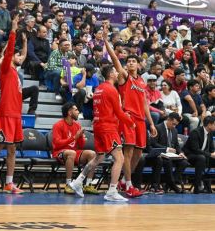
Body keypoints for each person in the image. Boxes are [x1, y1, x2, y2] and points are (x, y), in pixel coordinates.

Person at [69, 65, 135, 202]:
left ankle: (77, 182)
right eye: (116, 72)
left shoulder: (98, 89)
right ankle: (112, 191)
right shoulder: (112, 90)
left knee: (99, 157)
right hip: (108, 128)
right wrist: (130, 122)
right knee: (119, 158)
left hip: (98, 126)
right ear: (111, 74)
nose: (118, 74)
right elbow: (118, 112)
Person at [104, 38, 157, 198]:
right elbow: (114, 59)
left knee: (138, 155)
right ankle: (128, 185)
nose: (131, 63)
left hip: (141, 120)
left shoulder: (141, 82)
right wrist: (107, 42)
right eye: (129, 61)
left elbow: (145, 104)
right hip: (128, 118)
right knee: (127, 153)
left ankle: (123, 181)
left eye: (134, 61)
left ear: (139, 65)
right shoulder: (124, 77)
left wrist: (152, 124)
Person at [0, 15, 25, 194]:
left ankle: (9, 183)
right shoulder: (7, 68)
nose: (19, 56)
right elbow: (9, 53)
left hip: (16, 115)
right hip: (6, 113)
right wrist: (13, 30)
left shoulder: (16, 71)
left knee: (12, 149)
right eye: (17, 54)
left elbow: (22, 54)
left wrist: (24, 41)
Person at [52, 102, 99, 195]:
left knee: (92, 154)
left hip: (73, 152)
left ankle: (88, 185)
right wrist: (74, 137)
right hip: (59, 152)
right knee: (71, 153)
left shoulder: (77, 125)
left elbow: (81, 146)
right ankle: (69, 185)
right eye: (76, 110)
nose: (78, 112)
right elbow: (57, 144)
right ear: (70, 113)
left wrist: (81, 137)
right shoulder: (58, 125)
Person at [147, 113, 187, 193]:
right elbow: (153, 143)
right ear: (168, 119)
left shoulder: (174, 130)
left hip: (171, 155)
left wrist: (181, 153)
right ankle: (172, 184)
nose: (174, 126)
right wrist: (167, 149)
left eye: (176, 125)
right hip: (160, 154)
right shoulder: (157, 128)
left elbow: (176, 145)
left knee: (184, 162)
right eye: (173, 124)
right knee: (167, 162)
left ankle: (169, 185)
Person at [183, 116, 215, 193]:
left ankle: (206, 182)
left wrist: (213, 153)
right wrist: (210, 155)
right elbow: (195, 149)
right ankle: (197, 186)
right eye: (214, 124)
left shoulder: (210, 133)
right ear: (209, 125)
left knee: (203, 157)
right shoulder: (195, 132)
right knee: (201, 158)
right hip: (190, 156)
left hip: (202, 156)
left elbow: (211, 149)